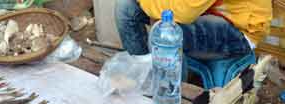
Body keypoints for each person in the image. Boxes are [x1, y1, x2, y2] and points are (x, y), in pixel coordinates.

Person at [115, 0, 273, 60]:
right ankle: (141, 72)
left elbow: (183, 12)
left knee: (165, 33)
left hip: (240, 32)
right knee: (125, 6)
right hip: (206, 13)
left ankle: (173, 102)